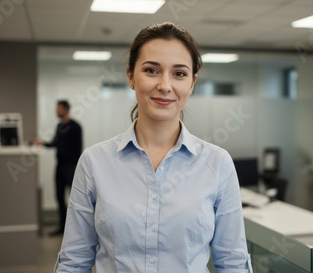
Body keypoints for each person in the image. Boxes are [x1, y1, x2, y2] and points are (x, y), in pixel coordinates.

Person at [53, 22, 251, 272]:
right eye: (151, 70)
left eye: (179, 73)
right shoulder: (94, 162)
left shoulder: (218, 164)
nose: (165, 85)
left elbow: (233, 264)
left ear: (192, 83)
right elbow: (74, 262)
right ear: (131, 77)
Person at [35, 100, 83, 236]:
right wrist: (42, 143)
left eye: (58, 108)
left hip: (70, 167)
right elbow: (54, 143)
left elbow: (78, 147)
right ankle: (62, 227)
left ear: (65, 109)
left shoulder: (75, 127)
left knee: (75, 199)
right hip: (60, 166)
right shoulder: (59, 126)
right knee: (59, 197)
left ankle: (78, 230)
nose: (56, 111)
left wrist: (76, 167)